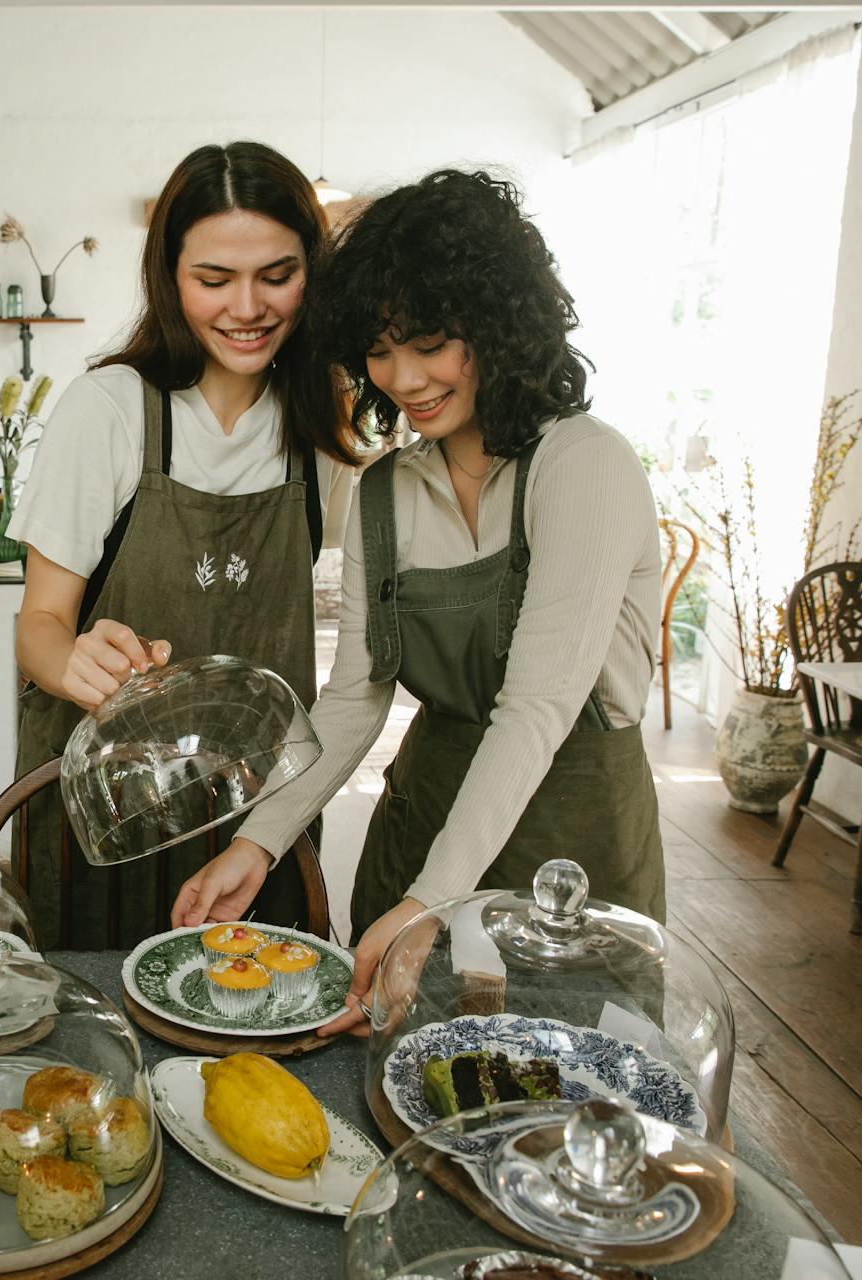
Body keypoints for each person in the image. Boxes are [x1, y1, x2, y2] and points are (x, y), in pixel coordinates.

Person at [172, 169, 664, 1032]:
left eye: (431, 342)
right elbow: (356, 696)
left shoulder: (582, 464)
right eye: (379, 348)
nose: (404, 377)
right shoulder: (388, 492)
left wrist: (434, 899)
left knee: (570, 1099)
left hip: (570, 845)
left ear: (500, 324)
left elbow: (538, 708)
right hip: (424, 821)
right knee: (405, 1088)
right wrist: (261, 838)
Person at [6, 141, 359, 948]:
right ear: (169, 279)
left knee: (251, 1027)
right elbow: (38, 627)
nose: (247, 307)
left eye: (277, 275)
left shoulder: (320, 431)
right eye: (213, 280)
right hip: (107, 807)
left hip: (256, 817)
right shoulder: (111, 409)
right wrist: (73, 663)